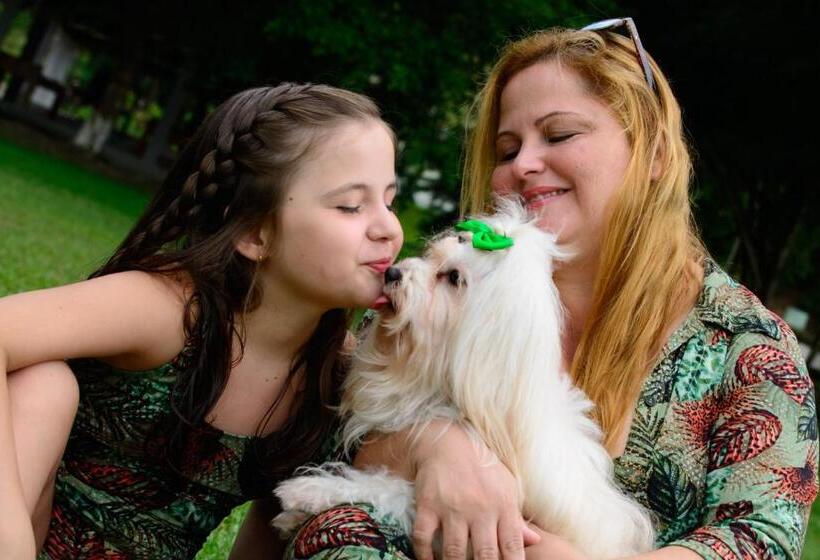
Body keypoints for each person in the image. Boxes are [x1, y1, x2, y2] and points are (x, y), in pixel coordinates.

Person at [286, 19, 818, 560]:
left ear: (656, 152)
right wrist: (432, 447)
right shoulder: (434, 293)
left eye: (559, 135)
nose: (523, 165)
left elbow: (760, 538)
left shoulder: (748, 347)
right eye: (506, 149)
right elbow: (323, 447)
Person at [0, 82, 404, 559]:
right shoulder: (170, 309)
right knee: (42, 385)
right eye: (351, 206)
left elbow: (273, 532)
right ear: (255, 233)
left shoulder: (332, 378)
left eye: (389, 201)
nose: (388, 228)